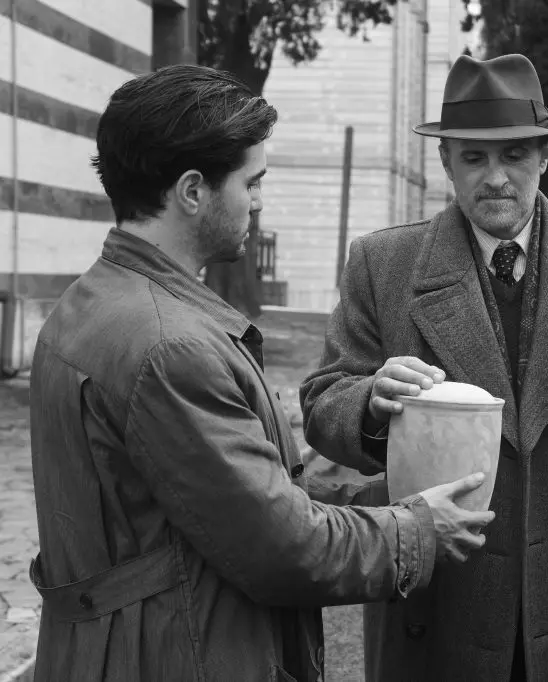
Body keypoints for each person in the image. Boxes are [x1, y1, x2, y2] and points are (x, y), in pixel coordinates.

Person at [27, 64, 494, 682]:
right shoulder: (170, 347)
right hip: (173, 657)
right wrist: (415, 531)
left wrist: (397, 493)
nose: (260, 199)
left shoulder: (91, 303)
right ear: (193, 191)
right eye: (253, 181)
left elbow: (245, 492)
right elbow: (283, 546)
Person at [299, 53, 548, 681]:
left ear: (544, 157)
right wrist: (372, 399)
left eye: (513, 156)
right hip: (445, 597)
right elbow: (323, 404)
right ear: (446, 161)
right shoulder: (383, 263)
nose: (496, 179)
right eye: (474, 158)